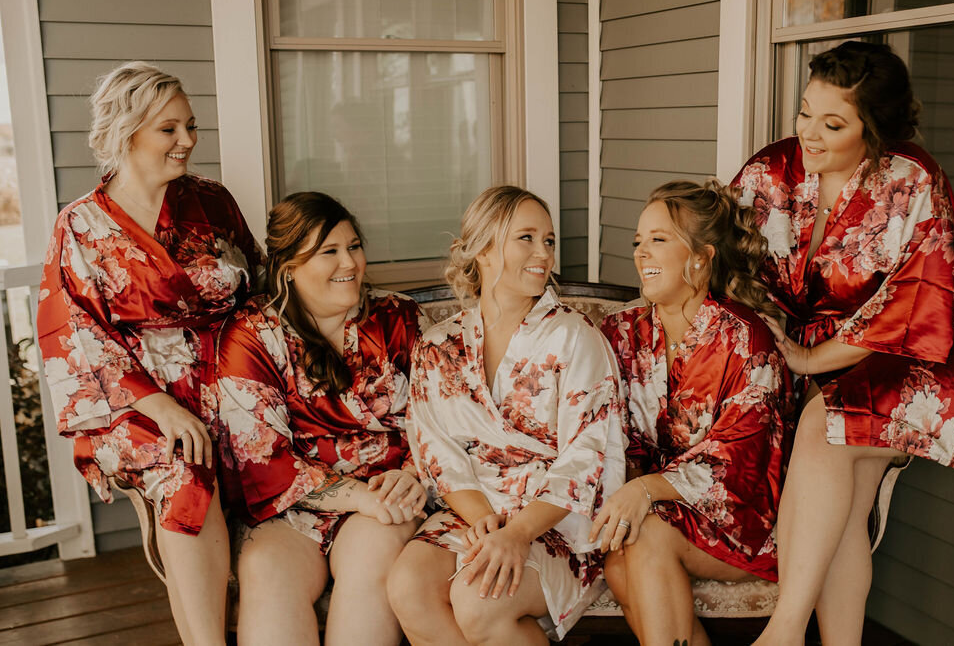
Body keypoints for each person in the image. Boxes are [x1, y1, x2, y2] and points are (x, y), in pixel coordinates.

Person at [731, 41, 954, 646]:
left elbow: (910, 307)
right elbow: (727, 257)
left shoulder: (912, 182)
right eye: (804, 112)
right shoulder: (773, 170)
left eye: (833, 123)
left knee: (829, 427)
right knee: (846, 509)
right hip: (823, 344)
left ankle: (783, 630)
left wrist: (808, 360)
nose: (809, 135)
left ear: (874, 132)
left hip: (923, 344)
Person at [36, 61, 261, 644]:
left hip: (231, 378)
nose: (187, 141)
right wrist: (160, 405)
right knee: (183, 467)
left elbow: (258, 290)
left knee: (267, 454)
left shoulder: (211, 202)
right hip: (134, 401)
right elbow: (77, 338)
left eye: (190, 127)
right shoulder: (80, 227)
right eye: (169, 130)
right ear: (125, 131)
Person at [386, 186, 626, 644]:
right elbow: (437, 451)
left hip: (553, 520)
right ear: (483, 249)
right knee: (408, 585)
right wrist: (486, 525)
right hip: (472, 510)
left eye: (549, 240)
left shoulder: (575, 337)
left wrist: (516, 534)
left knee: (480, 600)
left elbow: (586, 457)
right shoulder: (439, 345)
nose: (544, 253)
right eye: (527, 238)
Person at [216, 192, 428, 646]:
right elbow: (260, 459)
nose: (349, 262)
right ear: (288, 266)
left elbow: (445, 419)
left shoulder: (399, 319)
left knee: (371, 557)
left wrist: (415, 475)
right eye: (328, 252)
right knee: (267, 571)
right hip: (295, 504)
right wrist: (354, 496)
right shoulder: (251, 336)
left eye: (353, 246)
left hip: (389, 494)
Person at [595, 180, 794, 646]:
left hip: (736, 518)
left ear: (701, 257)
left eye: (658, 240)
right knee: (620, 563)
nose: (642, 252)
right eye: (638, 241)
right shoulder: (620, 332)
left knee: (644, 537)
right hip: (646, 508)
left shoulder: (745, 341)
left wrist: (645, 490)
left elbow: (740, 460)